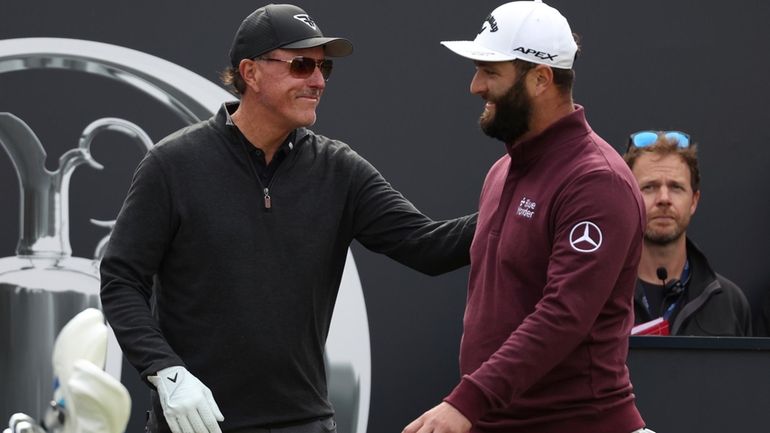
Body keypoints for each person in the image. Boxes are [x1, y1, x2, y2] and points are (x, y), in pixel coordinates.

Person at [99, 4, 476, 433]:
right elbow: (121, 280)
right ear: (251, 72)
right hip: (200, 425)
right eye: (301, 65)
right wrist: (165, 370)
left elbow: (428, 247)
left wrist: (521, 199)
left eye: (323, 68)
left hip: (304, 423)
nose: (317, 81)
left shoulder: (339, 169)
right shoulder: (173, 164)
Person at [403, 1, 651, 433]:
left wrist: (465, 403)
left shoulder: (597, 181)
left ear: (541, 79)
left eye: (490, 72)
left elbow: (564, 314)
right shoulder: (503, 169)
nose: (475, 86)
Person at [623, 130, 752, 336]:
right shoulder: (600, 296)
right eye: (649, 187)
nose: (664, 198)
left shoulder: (730, 303)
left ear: (694, 201)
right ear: (628, 197)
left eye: (676, 187)